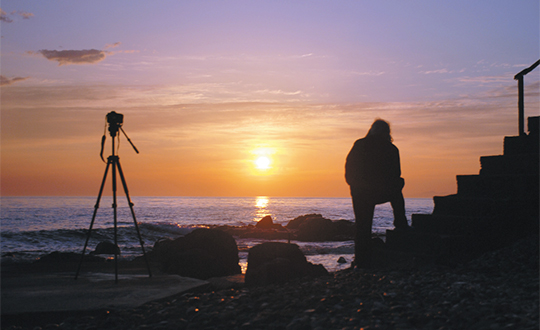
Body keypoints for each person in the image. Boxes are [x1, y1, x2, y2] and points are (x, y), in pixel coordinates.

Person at [345, 119, 410, 268]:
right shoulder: (391, 148)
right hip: (380, 191)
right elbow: (396, 174)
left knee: (362, 227)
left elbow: (349, 168)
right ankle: (400, 222)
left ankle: (362, 261)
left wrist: (354, 186)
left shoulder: (360, 144)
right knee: (398, 185)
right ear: (387, 133)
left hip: (360, 192)